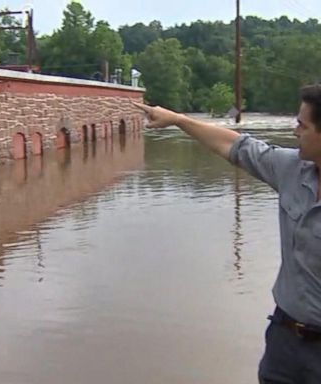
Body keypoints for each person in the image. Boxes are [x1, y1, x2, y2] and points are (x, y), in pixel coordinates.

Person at [133, 84, 321, 384]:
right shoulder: (292, 170)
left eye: (302, 125)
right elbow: (236, 146)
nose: (294, 131)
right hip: (284, 341)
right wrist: (179, 120)